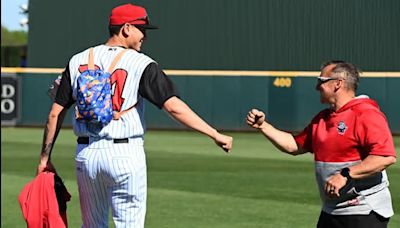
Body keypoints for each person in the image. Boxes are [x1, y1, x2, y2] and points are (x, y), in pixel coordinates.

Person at [37, 3, 233, 228]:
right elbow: (174, 107)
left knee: (92, 226)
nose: (145, 36)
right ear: (127, 28)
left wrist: (45, 158)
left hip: (87, 155)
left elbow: (55, 114)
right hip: (125, 153)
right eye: (142, 29)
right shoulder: (141, 63)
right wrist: (214, 134)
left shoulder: (77, 60)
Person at [246, 60, 396, 228]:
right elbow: (294, 146)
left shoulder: (366, 113)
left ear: (337, 84)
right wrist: (263, 126)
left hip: (364, 212)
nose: (317, 87)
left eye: (321, 81)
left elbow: (385, 157)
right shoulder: (323, 118)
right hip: (331, 212)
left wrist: (345, 174)